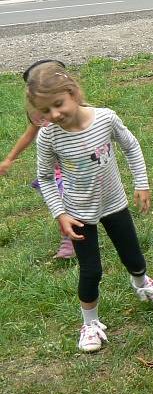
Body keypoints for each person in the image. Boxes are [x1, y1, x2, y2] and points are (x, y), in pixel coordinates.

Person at [27, 62, 153, 354]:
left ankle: (141, 283)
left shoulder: (105, 118)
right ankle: (90, 323)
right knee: (91, 272)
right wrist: (60, 213)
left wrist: (141, 183)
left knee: (133, 256)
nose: (54, 115)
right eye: (45, 111)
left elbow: (130, 145)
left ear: (73, 92)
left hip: (114, 204)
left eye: (58, 104)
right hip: (78, 214)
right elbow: (44, 177)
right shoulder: (49, 136)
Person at [1, 59, 74, 259]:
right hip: (58, 169)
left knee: (78, 200)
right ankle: (70, 239)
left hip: (79, 164)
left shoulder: (72, 106)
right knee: (61, 200)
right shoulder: (40, 114)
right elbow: (29, 134)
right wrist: (9, 159)